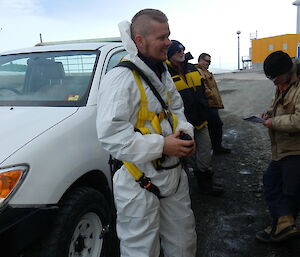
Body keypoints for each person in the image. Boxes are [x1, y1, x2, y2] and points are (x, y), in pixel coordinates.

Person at [96, 9, 197, 257]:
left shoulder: (162, 72)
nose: (169, 43)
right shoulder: (121, 78)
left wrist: (185, 135)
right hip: (138, 182)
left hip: (173, 175)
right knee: (141, 250)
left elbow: (176, 110)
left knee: (184, 242)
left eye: (169, 36)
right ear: (140, 40)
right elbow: (111, 135)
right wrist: (162, 146)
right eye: (162, 38)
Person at [166, 40, 224, 196]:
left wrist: (206, 107)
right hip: (182, 124)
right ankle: (197, 184)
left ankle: (204, 180)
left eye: (183, 49)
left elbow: (204, 90)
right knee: (188, 155)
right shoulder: (164, 72)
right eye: (178, 50)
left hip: (200, 119)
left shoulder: (192, 68)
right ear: (170, 53)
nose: (182, 52)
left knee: (205, 150)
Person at [256, 50, 300, 243]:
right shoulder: (284, 83)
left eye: (275, 77)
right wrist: (268, 114)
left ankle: (282, 228)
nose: (273, 82)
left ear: (288, 70)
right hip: (282, 149)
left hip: (296, 150)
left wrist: (273, 123)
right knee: (272, 182)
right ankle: (284, 224)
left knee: (290, 192)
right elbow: (280, 106)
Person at [197, 53, 231, 155]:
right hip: (209, 104)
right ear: (201, 60)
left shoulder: (206, 71)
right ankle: (216, 148)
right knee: (216, 125)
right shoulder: (199, 71)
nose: (209, 63)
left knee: (213, 126)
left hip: (212, 104)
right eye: (207, 61)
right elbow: (204, 87)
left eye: (210, 61)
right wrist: (211, 96)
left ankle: (215, 147)